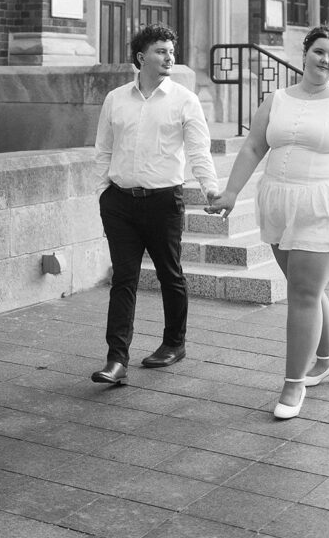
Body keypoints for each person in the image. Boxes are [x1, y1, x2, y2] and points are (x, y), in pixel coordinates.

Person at [206, 25, 329, 419]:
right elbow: (254, 147)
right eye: (320, 52)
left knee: (303, 295)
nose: (326, 60)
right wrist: (231, 193)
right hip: (278, 200)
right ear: (305, 53)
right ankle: (326, 358)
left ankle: (293, 384)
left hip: (323, 204)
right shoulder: (276, 99)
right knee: (305, 288)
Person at [91, 23, 218, 385]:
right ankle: (116, 360)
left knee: (169, 274)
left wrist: (210, 189)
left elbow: (198, 150)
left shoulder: (184, 100)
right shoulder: (116, 99)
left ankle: (174, 343)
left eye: (171, 51)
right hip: (120, 203)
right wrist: (103, 193)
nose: (169, 57)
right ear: (140, 56)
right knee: (124, 280)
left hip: (164, 201)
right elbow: (103, 149)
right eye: (161, 51)